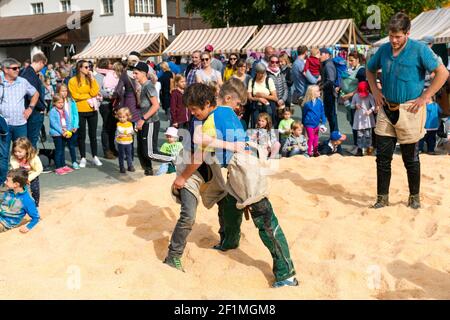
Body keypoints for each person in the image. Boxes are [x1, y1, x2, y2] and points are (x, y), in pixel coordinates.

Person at [173, 82, 298, 288]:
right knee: (228, 203)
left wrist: (182, 178)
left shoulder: (210, 121)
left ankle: (286, 275)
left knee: (265, 220)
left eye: (195, 109)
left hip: (245, 170)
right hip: (240, 168)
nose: (193, 113)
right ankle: (229, 241)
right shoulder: (227, 110)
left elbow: (198, 157)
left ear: (206, 104)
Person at [366, 12, 449, 209]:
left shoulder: (420, 49)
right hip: (387, 108)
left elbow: (443, 73)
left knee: (410, 158)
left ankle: (414, 197)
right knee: (382, 158)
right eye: (391, 36)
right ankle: (382, 198)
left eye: (398, 36)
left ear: (407, 33)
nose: (394, 40)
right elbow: (369, 69)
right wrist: (376, 91)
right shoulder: (384, 49)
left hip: (410, 110)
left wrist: (425, 96)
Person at [0, 58, 39, 186]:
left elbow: (35, 93)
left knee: (23, 154)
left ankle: (21, 181)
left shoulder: (22, 81)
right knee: (3, 155)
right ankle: (3, 182)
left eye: (19, 68)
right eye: (14, 68)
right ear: (5, 69)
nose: (18, 70)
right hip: (3, 125)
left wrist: (30, 108)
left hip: (20, 124)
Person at [132, 62, 174, 176]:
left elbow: (156, 105)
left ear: (144, 73)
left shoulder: (149, 86)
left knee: (149, 153)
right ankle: (148, 172)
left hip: (150, 122)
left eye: (136, 73)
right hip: (144, 121)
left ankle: (173, 159)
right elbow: (142, 105)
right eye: (133, 73)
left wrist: (142, 119)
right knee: (141, 151)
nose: (134, 75)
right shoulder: (142, 87)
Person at [68, 60, 102, 168]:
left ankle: (95, 156)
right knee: (81, 135)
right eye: (86, 67)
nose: (89, 69)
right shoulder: (72, 80)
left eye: (89, 67)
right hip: (80, 111)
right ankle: (83, 157)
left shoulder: (91, 79)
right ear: (80, 68)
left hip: (92, 110)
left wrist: (92, 79)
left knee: (93, 135)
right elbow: (75, 95)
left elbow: (95, 92)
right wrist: (88, 95)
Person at [340, 51, 367, 154]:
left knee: (358, 124)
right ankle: (356, 145)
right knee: (352, 122)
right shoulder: (352, 70)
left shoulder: (361, 71)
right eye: (349, 60)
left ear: (357, 60)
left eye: (352, 60)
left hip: (358, 101)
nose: (350, 62)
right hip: (350, 100)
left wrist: (349, 94)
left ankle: (359, 148)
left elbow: (362, 87)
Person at [19, 53, 47, 149]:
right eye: (44, 65)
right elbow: (32, 95)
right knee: (31, 142)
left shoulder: (26, 72)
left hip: (30, 110)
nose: (43, 67)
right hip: (34, 111)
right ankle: (31, 163)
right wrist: (42, 107)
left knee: (29, 142)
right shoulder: (30, 74)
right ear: (40, 62)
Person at [0, 168, 40, 233]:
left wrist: (28, 226)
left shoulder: (27, 200)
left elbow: (36, 218)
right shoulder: (8, 192)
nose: (5, 182)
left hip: (6, 224)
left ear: (16, 184)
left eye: (7, 180)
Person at [10, 137, 43, 207]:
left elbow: (39, 169)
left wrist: (29, 179)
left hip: (32, 175)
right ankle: (17, 204)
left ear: (27, 150)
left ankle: (35, 205)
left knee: (35, 190)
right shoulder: (13, 158)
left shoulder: (34, 157)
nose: (17, 154)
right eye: (15, 151)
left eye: (20, 152)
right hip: (19, 176)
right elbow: (16, 170)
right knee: (17, 190)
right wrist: (22, 180)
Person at [49, 94, 75, 175]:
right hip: (57, 134)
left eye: (62, 102)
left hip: (64, 132)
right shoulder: (53, 111)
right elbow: (54, 124)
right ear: (54, 103)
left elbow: (68, 120)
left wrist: (68, 130)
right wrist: (61, 131)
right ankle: (58, 167)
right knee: (58, 150)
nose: (61, 104)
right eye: (59, 102)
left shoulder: (64, 111)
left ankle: (63, 165)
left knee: (62, 150)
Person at [247, 63, 278, 128]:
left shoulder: (269, 80)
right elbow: (249, 97)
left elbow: (275, 98)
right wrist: (258, 99)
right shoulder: (252, 81)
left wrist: (262, 95)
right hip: (256, 107)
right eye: (260, 73)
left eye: (263, 73)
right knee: (256, 126)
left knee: (268, 126)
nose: (262, 75)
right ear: (256, 72)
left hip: (267, 107)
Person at [57, 84, 79, 169]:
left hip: (71, 128)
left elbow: (75, 114)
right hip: (61, 129)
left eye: (66, 91)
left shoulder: (71, 101)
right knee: (61, 147)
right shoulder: (56, 102)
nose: (64, 93)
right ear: (58, 91)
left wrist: (75, 125)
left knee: (71, 146)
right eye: (62, 91)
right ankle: (62, 164)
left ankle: (74, 161)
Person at [302, 85, 327, 157]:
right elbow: (304, 113)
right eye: (317, 91)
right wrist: (304, 123)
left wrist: (323, 123)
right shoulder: (307, 104)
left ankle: (315, 151)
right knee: (311, 138)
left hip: (316, 124)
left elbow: (322, 113)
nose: (320, 92)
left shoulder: (320, 102)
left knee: (316, 137)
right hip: (308, 124)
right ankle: (309, 151)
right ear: (312, 93)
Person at [351, 81, 376, 156]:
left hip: (367, 119)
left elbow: (374, 106)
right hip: (359, 119)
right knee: (359, 135)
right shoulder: (355, 96)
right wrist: (355, 106)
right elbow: (351, 105)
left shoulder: (370, 96)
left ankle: (368, 149)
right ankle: (360, 149)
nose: (362, 96)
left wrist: (370, 111)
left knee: (368, 135)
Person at [319, 47, 339, 133]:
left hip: (330, 93)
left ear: (327, 55)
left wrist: (321, 87)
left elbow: (330, 80)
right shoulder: (326, 64)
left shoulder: (328, 65)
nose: (319, 56)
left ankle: (334, 135)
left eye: (321, 54)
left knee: (332, 115)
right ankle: (334, 135)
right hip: (329, 92)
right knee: (331, 115)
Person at [266, 55, 289, 126]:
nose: (274, 64)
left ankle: (280, 137)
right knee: (271, 124)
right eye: (272, 62)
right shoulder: (266, 73)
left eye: (277, 62)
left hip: (281, 103)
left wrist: (282, 99)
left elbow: (285, 88)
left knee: (282, 124)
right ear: (269, 62)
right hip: (271, 103)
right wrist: (275, 100)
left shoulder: (281, 73)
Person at [114, 107, 135, 174]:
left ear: (127, 117)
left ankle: (130, 166)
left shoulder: (130, 124)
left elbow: (132, 132)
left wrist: (131, 133)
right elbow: (119, 132)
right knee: (121, 155)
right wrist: (120, 135)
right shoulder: (118, 124)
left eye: (123, 117)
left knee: (129, 154)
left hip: (128, 142)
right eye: (120, 117)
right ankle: (122, 167)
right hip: (121, 142)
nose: (122, 119)